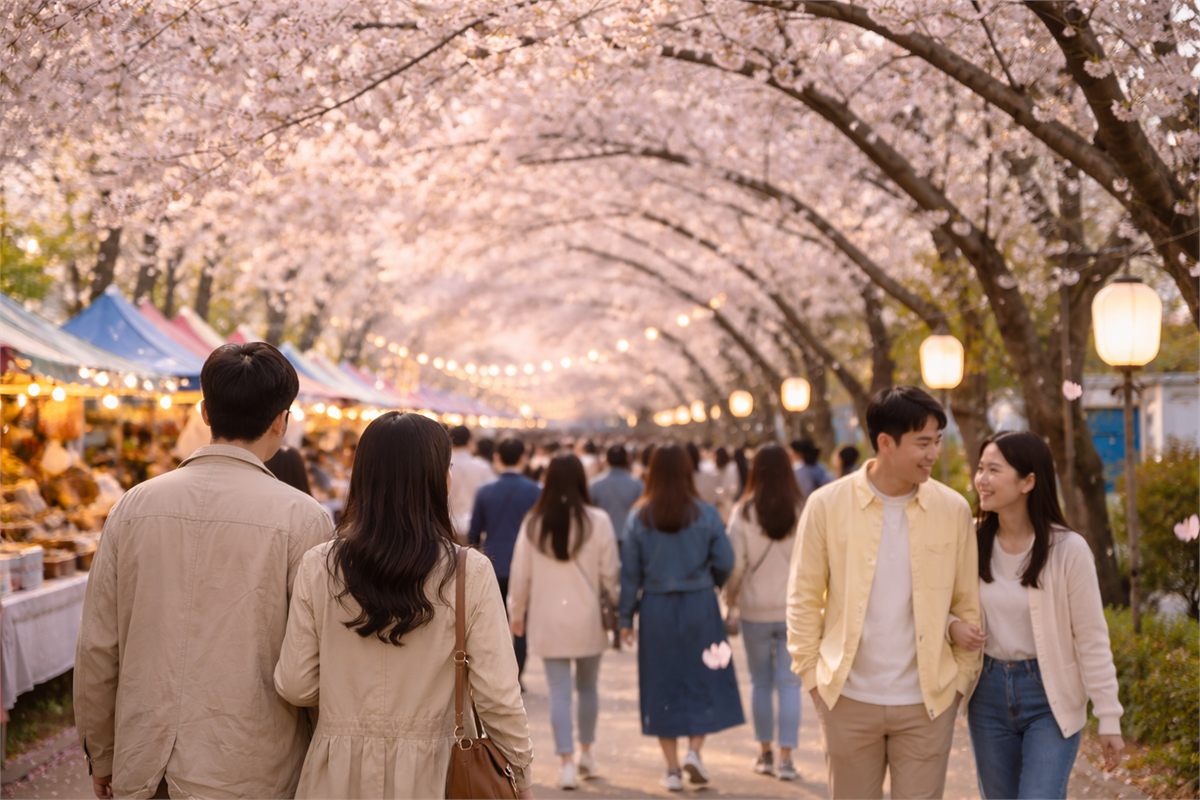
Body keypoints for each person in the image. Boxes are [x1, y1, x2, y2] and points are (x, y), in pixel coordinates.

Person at [74, 342, 334, 799]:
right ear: (281, 420)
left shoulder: (134, 506)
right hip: (252, 766)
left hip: (146, 760)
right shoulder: (304, 518)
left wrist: (104, 752)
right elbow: (312, 658)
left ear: (205, 413)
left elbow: (98, 645)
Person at [274, 412, 533, 799]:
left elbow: (296, 684)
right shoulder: (468, 572)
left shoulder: (320, 565)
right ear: (434, 479)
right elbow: (498, 697)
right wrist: (520, 774)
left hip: (338, 774)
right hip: (438, 774)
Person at [787, 385, 982, 800]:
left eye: (937, 441)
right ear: (885, 443)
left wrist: (960, 683)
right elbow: (804, 597)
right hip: (848, 697)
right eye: (923, 443)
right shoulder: (827, 505)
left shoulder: (953, 510)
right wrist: (813, 681)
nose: (933, 453)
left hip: (928, 701)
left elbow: (967, 602)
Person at [949, 431, 1124, 799]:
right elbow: (939, 604)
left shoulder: (1068, 550)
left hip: (1049, 696)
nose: (982, 479)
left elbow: (1091, 637)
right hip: (988, 692)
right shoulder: (971, 539)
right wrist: (953, 627)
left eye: (994, 469)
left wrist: (1109, 715)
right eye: (980, 468)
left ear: (1029, 481)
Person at [619, 444, 743, 792]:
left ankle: (672, 768)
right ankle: (695, 752)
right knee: (702, 676)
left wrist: (625, 617)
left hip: (657, 606)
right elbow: (725, 560)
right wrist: (710, 585)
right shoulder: (704, 514)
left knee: (662, 683)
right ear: (688, 472)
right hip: (699, 604)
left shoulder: (639, 517)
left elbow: (629, 573)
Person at [508, 455, 619, 790]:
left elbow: (520, 573)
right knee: (588, 688)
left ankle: (566, 761)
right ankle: (587, 752)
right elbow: (610, 572)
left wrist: (517, 611)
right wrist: (614, 602)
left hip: (547, 618)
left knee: (559, 692)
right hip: (588, 618)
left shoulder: (534, 521)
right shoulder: (597, 521)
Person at [724, 445, 804, 782]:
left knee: (760, 683)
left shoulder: (743, 513)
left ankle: (765, 753)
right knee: (790, 684)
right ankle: (787, 758)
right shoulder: (802, 508)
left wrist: (730, 600)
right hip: (793, 610)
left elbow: (735, 566)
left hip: (755, 610)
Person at [468, 437, 541, 683]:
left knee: (493, 623)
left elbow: (474, 532)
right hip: (526, 566)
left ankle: (498, 675)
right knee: (520, 621)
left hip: (493, 561)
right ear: (523, 457)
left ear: (498, 457)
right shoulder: (534, 491)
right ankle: (517, 674)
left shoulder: (486, 491)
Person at [590, 444, 644, 545]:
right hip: (629, 537)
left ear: (607, 460)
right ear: (626, 460)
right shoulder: (637, 484)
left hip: (603, 537)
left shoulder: (595, 484)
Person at [448, 425, 494, 539]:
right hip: (475, 525)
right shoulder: (482, 466)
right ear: (470, 442)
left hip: (447, 524)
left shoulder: (441, 465)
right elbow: (491, 496)